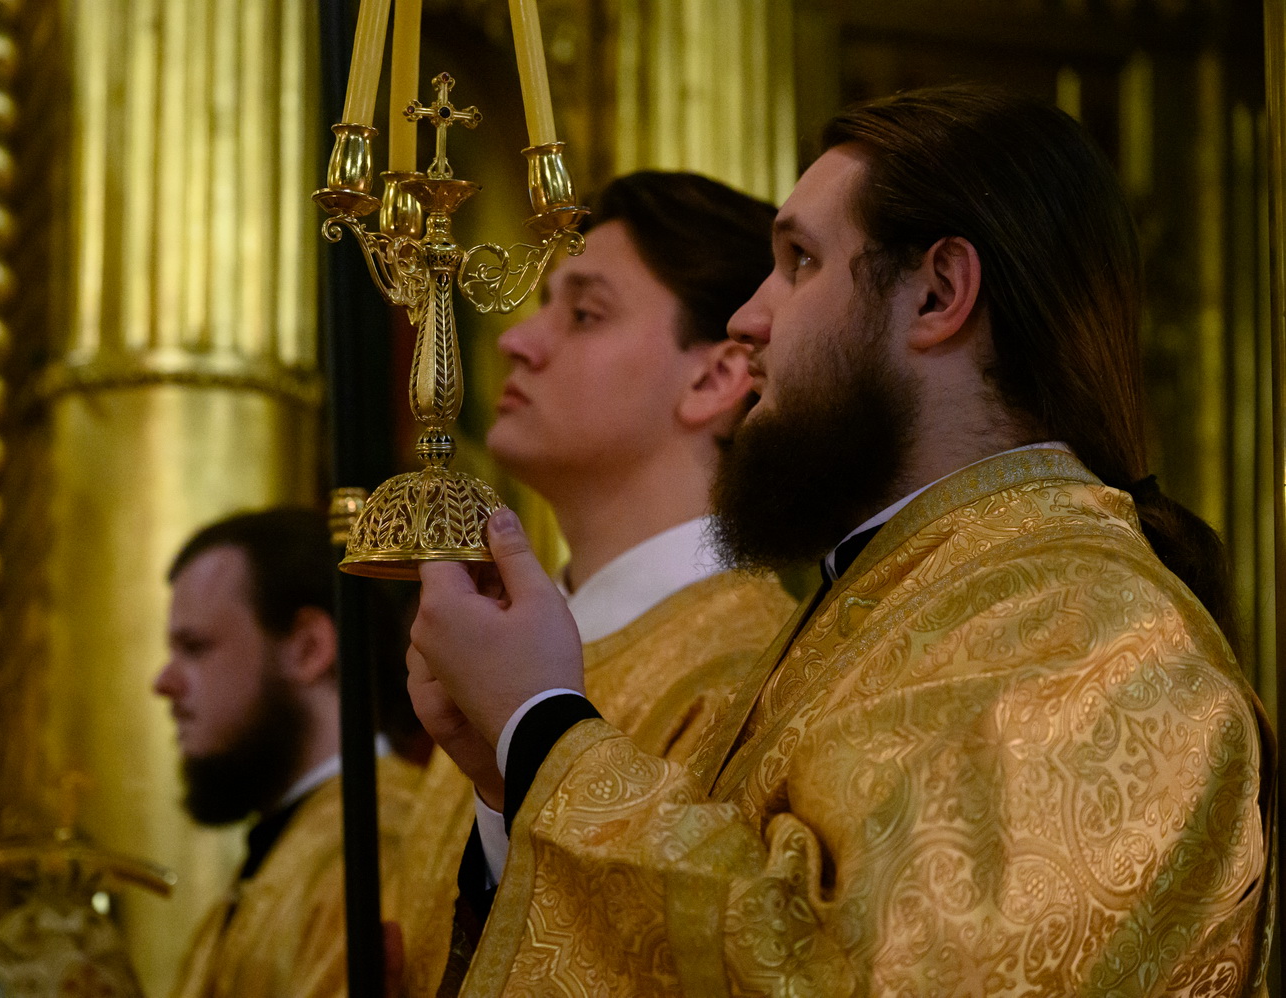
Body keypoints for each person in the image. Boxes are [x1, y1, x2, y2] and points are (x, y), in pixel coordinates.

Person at [407, 86, 1274, 995]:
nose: (748, 320)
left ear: (939, 293)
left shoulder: (1099, 638)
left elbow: (866, 976)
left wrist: (542, 728)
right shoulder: (889, 600)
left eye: (799, 262)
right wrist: (512, 774)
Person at [394, 172, 797, 997]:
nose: (518, 341)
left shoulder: (759, 672)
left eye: (584, 314)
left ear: (715, 379)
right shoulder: (492, 662)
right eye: (543, 304)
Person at [153, 508, 422, 998]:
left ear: (307, 648)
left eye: (194, 647)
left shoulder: (378, 848)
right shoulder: (285, 849)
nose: (164, 682)